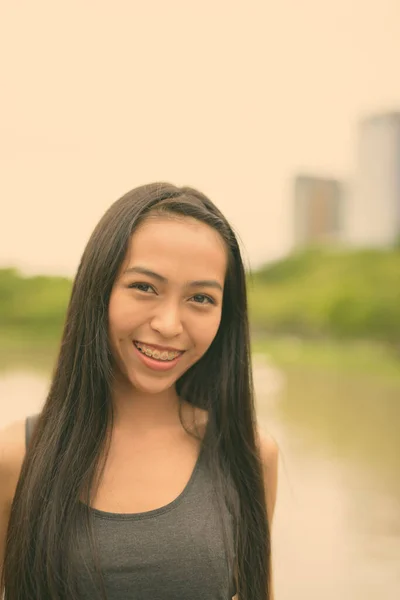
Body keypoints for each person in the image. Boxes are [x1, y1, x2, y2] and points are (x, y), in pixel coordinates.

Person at [0, 183, 278, 600]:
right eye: (145, 287)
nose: (169, 324)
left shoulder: (249, 454)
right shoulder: (16, 456)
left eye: (201, 297)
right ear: (99, 290)